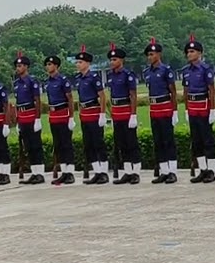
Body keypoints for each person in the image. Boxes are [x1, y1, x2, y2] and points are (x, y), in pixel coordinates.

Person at [181, 34, 215, 184]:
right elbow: (185, 90)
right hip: (192, 106)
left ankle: (211, 171)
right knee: (196, 141)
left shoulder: (205, 69)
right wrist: (185, 108)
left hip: (203, 105)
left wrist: (213, 109)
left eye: (192, 52)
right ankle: (202, 170)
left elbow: (211, 90)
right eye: (188, 52)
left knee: (207, 140)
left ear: (200, 53)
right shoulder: (185, 70)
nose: (189, 54)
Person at [143, 37, 179, 184]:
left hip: (165, 107)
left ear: (159, 54)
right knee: (158, 141)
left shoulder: (166, 70)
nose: (150, 57)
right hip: (154, 108)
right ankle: (164, 171)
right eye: (148, 55)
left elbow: (173, 92)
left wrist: (174, 111)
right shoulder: (147, 72)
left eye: (152, 54)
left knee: (168, 140)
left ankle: (172, 171)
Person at [106, 43, 141, 184]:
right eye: (111, 60)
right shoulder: (110, 76)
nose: (112, 62)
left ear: (121, 61)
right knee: (121, 144)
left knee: (131, 143)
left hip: (126, 111)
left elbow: (133, 95)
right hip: (117, 112)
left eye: (115, 60)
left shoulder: (128, 75)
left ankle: (136, 172)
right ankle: (127, 171)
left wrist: (133, 114)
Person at [75, 46, 110, 184]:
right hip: (85, 113)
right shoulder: (79, 78)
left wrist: (102, 114)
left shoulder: (93, 77)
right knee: (88, 144)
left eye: (80, 62)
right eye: (77, 62)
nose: (78, 65)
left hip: (94, 112)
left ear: (87, 63)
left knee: (98, 143)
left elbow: (102, 96)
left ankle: (104, 172)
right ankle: (97, 171)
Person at [11, 52, 47, 185]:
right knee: (28, 147)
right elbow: (18, 102)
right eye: (17, 66)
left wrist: (37, 118)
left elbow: (37, 100)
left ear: (26, 67)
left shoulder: (32, 81)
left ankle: (40, 173)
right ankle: (34, 172)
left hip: (31, 115)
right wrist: (18, 120)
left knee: (35, 145)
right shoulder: (16, 83)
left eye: (20, 66)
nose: (18, 68)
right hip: (22, 116)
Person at [43, 54, 77, 185]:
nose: (48, 67)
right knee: (58, 145)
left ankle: (70, 173)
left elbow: (70, 98)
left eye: (50, 64)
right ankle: (64, 172)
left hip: (63, 113)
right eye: (47, 65)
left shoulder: (63, 80)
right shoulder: (48, 82)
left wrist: (71, 117)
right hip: (53, 115)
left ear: (56, 66)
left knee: (66, 144)